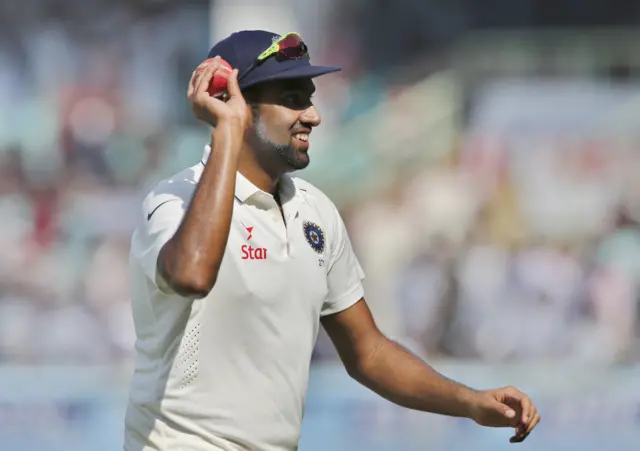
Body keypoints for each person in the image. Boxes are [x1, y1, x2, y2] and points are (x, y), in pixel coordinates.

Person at [123, 30, 541, 451]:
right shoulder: (173, 198)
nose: (313, 115)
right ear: (236, 105)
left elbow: (369, 353)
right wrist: (226, 133)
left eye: (309, 96)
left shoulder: (316, 211)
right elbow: (191, 274)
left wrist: (469, 402)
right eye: (292, 99)